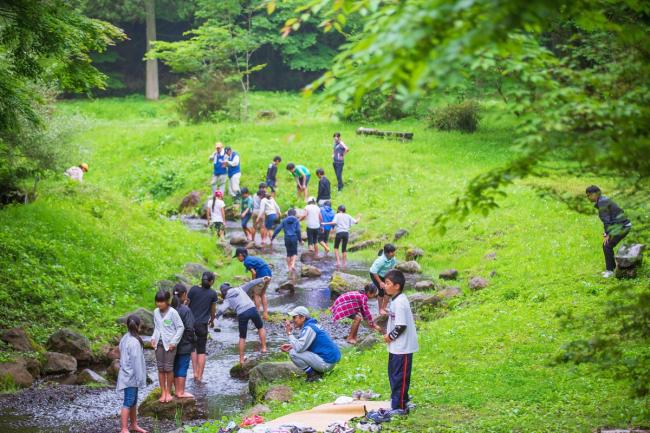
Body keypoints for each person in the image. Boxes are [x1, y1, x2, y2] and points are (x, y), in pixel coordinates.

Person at [382, 270, 418, 412]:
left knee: (400, 377)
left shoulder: (400, 302)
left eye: (387, 283)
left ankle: (400, 407)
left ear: (396, 286)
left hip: (402, 347)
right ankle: (400, 400)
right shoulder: (395, 300)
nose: (385, 286)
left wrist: (389, 336)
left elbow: (401, 326)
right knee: (393, 374)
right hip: (396, 347)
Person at [216, 276, 271, 365]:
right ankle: (264, 349)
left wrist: (212, 319)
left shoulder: (227, 299)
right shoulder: (239, 289)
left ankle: (241, 360)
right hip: (252, 308)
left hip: (242, 314)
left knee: (242, 337)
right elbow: (251, 283)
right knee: (260, 327)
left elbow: (220, 311)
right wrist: (262, 279)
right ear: (230, 287)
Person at [280, 306, 341, 382]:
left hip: (326, 364)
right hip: (330, 362)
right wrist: (292, 345)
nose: (293, 320)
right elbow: (305, 345)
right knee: (294, 349)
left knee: (293, 352)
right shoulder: (312, 326)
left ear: (302, 318)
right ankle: (317, 372)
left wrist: (289, 333)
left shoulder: (309, 328)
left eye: (294, 317)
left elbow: (299, 348)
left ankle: (313, 375)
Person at [586, 185, 632, 278]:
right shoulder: (603, 200)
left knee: (607, 245)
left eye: (588, 195)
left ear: (594, 194)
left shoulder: (602, 202)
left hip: (622, 226)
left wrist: (608, 233)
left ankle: (610, 271)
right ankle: (611, 269)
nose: (588, 198)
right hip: (622, 225)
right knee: (607, 245)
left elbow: (607, 220)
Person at [150, 290, 184, 403]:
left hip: (170, 344)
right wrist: (153, 338)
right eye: (157, 302)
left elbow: (180, 327)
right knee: (160, 368)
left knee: (168, 368)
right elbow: (157, 327)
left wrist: (174, 342)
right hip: (159, 343)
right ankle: (163, 392)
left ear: (167, 301)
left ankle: (169, 392)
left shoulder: (173, 313)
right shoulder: (155, 312)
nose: (159, 304)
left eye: (161, 302)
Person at [116, 315, 148, 433]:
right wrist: (141, 379)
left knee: (133, 401)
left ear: (127, 326)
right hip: (131, 376)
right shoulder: (134, 342)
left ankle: (134, 425)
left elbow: (120, 349)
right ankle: (124, 429)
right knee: (128, 401)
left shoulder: (126, 337)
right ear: (138, 326)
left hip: (126, 373)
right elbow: (137, 363)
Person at [188, 272, 219, 382]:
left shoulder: (193, 290)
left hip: (190, 324)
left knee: (193, 349)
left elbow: (187, 304)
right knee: (201, 350)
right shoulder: (213, 294)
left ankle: (195, 373)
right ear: (211, 282)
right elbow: (213, 310)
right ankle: (200, 376)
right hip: (202, 325)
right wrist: (212, 320)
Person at [234, 247, 272, 320]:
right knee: (263, 294)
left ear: (241, 255)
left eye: (237, 257)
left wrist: (253, 282)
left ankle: (257, 314)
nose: (238, 259)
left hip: (261, 275)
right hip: (268, 274)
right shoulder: (251, 258)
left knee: (256, 294)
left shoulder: (246, 262)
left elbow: (253, 272)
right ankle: (265, 314)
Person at [171, 284, 195, 399]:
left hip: (170, 343)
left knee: (173, 366)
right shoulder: (186, 310)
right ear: (184, 295)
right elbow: (190, 328)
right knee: (182, 366)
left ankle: (174, 390)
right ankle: (180, 392)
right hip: (184, 343)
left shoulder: (169, 309)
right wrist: (192, 341)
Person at [272, 208, 303, 274]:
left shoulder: (284, 220)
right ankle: (293, 265)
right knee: (294, 253)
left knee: (288, 253)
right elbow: (298, 231)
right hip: (294, 237)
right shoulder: (296, 220)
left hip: (287, 238)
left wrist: (273, 236)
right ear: (295, 214)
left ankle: (289, 269)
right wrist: (300, 240)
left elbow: (278, 228)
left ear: (288, 214)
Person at [370, 244, 398, 315]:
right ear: (387, 253)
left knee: (389, 290)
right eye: (393, 252)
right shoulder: (380, 261)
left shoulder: (393, 258)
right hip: (375, 274)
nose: (394, 253)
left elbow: (391, 268)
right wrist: (380, 282)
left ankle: (384, 307)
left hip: (385, 274)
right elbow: (374, 272)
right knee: (382, 291)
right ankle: (380, 310)